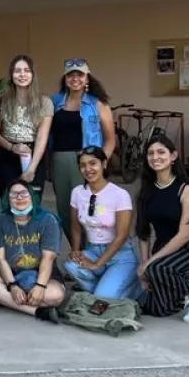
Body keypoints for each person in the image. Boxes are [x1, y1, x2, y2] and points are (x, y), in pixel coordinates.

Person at [136, 134, 189, 323]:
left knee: (157, 268)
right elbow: (143, 233)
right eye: (151, 153)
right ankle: (186, 280)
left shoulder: (187, 191)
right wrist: (143, 266)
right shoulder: (146, 191)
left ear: (173, 156)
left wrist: (149, 264)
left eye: (161, 152)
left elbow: (184, 235)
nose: (155, 157)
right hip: (163, 248)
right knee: (156, 310)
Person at [0, 180, 65, 323]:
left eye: (24, 193)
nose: (19, 198)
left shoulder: (48, 220)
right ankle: (38, 311)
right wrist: (12, 286)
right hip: (11, 274)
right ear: (8, 200)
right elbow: (0, 259)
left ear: (32, 196)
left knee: (56, 296)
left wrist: (40, 286)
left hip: (42, 274)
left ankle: (2, 299)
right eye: (14, 195)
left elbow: (48, 258)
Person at [50, 58, 115, 241]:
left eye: (80, 74)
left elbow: (110, 140)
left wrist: (100, 163)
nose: (75, 78)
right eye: (70, 75)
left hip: (87, 161)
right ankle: (77, 252)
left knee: (88, 207)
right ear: (65, 78)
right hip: (60, 160)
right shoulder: (54, 102)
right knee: (65, 209)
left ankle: (93, 250)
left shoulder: (98, 104)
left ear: (87, 78)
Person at [63, 146, 140, 300]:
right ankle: (107, 289)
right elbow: (75, 227)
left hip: (120, 255)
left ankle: (134, 290)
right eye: (83, 165)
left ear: (104, 164)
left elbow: (122, 235)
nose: (88, 169)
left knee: (102, 296)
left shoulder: (119, 195)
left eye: (93, 163)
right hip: (92, 250)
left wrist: (98, 264)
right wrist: (76, 250)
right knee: (71, 265)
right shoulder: (78, 192)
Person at [0, 55, 52, 198]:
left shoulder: (44, 102)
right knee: (8, 200)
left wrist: (32, 169)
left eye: (27, 70)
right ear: (11, 74)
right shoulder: (0, 98)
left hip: (34, 155)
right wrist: (11, 147)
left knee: (32, 200)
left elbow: (42, 137)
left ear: (33, 74)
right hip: (6, 153)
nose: (22, 74)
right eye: (17, 71)